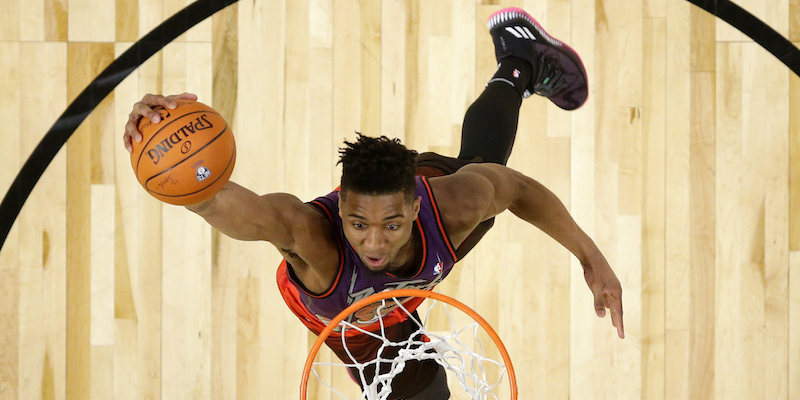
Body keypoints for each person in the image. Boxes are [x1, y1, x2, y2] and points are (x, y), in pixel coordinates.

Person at [123, 7, 623, 399]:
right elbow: (214, 202)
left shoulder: (452, 206)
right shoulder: (312, 242)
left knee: (484, 170)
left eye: (392, 225)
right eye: (359, 224)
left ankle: (520, 60)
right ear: (341, 209)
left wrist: (591, 258)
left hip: (423, 245)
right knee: (422, 395)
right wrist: (161, 144)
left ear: (415, 208)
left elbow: (521, 190)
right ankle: (521, 60)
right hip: (355, 321)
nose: (375, 243)